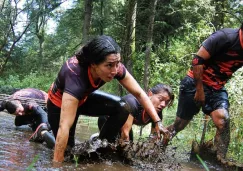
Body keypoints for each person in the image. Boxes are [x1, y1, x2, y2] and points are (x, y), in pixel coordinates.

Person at [47, 35, 170, 162]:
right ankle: (45, 135)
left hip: (84, 99)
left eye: (117, 64)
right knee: (68, 153)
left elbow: (139, 93)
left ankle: (99, 151)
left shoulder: (115, 66)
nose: (115, 70)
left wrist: (157, 122)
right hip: (59, 104)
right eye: (109, 65)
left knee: (122, 106)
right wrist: (57, 165)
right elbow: (64, 126)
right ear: (93, 64)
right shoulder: (74, 75)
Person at [167, 23, 243, 161]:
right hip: (195, 82)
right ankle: (154, 148)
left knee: (223, 120)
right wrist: (200, 90)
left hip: (217, 87)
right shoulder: (225, 37)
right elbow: (197, 60)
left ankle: (219, 161)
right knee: (180, 125)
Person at [97, 83, 174, 144]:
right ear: (150, 94)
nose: (163, 104)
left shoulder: (158, 115)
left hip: (125, 126)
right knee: (109, 149)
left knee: (128, 147)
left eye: (167, 102)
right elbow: (125, 135)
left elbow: (153, 140)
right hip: (107, 119)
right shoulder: (133, 103)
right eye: (160, 99)